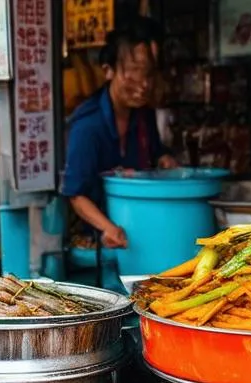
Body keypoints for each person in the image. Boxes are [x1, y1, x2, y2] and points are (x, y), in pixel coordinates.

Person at [61, 24, 178, 249]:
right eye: (133, 73)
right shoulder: (88, 124)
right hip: (99, 242)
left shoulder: (144, 115)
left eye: (148, 75)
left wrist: (165, 158)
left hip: (142, 229)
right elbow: (76, 195)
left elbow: (155, 152)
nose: (143, 85)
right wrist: (108, 228)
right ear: (108, 70)